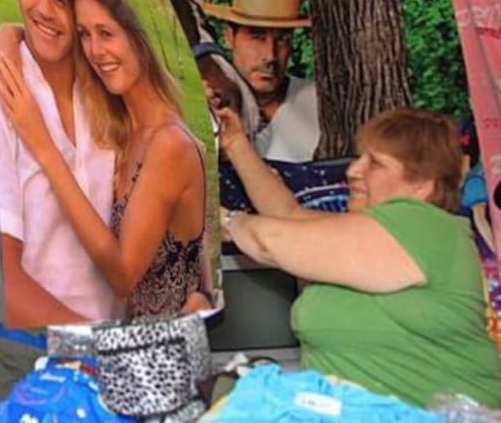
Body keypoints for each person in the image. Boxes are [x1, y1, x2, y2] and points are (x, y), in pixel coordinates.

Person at [215, 104, 501, 407]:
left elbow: (272, 242)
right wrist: (236, 144)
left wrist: (228, 222)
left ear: (422, 185)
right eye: (359, 158)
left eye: (374, 164)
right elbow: (288, 215)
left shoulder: (427, 228)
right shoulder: (377, 233)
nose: (353, 171)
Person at [0, 0, 208, 317]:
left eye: (106, 34)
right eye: (85, 34)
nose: (96, 51)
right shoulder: (123, 129)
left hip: (163, 345)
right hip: (128, 336)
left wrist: (43, 147)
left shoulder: (169, 144)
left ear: (138, 37)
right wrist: (8, 34)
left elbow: (123, 275)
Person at [0, 0, 121, 327]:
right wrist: (97, 345)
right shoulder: (3, 89)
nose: (44, 10)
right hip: (40, 343)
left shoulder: (109, 89)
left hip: (116, 332)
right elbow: (0, 278)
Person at [195, 0, 319, 162]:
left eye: (282, 40)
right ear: (229, 36)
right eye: (258, 38)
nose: (270, 55)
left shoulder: (316, 103)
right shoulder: (205, 107)